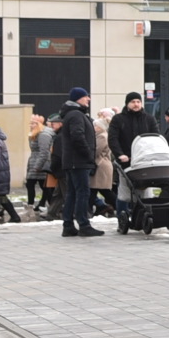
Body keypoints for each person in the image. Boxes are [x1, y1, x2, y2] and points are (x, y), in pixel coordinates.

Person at [54, 87, 101, 237]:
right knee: (82, 192)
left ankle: (68, 225)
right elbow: (77, 137)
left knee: (73, 193)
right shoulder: (76, 115)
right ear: (78, 98)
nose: (89, 99)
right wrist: (88, 156)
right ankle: (83, 224)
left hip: (74, 161)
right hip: (78, 161)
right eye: (86, 96)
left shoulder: (73, 114)